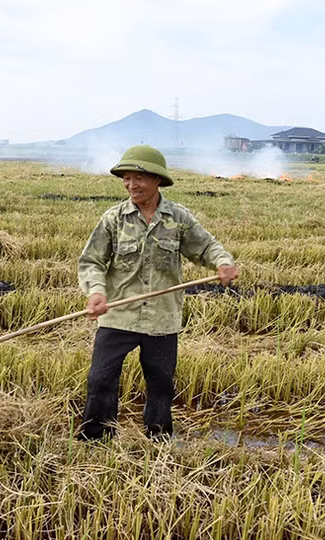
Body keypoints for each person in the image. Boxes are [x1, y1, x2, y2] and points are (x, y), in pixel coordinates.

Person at [77, 145, 239, 441]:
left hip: (163, 318)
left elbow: (205, 247)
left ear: (156, 180)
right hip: (118, 316)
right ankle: (95, 440)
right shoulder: (113, 219)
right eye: (126, 179)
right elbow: (92, 261)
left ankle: (158, 440)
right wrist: (96, 292)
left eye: (137, 178)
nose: (131, 185)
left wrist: (223, 262)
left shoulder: (178, 218)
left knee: (161, 384)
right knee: (100, 379)